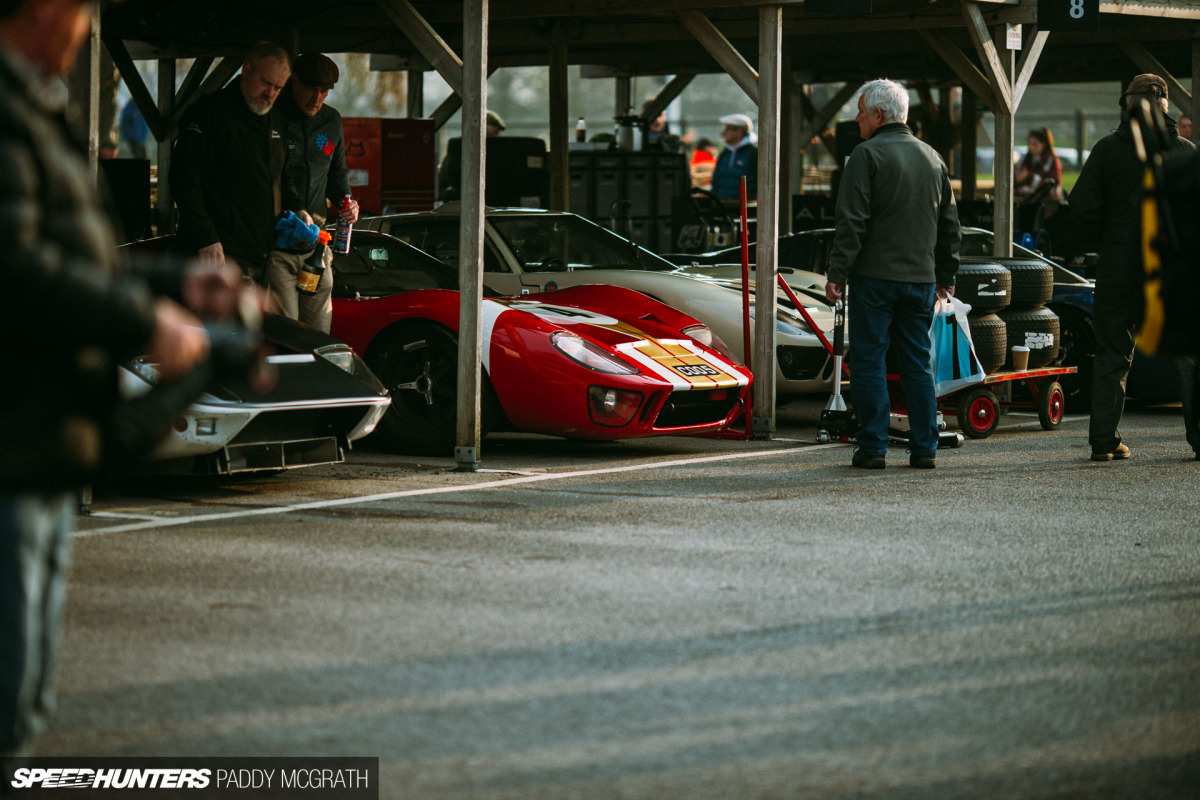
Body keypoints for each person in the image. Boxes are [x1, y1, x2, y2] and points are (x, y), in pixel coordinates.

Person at [0, 0, 247, 758]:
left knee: (24, 698)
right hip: (13, 435)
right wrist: (146, 323)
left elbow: (68, 256)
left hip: (42, 437)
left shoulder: (31, 106)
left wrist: (175, 283)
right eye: (82, 11)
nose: (85, 30)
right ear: (47, 8)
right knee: (8, 693)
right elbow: (14, 269)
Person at [824, 79, 960, 470]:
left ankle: (873, 448)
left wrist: (837, 271)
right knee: (918, 362)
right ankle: (925, 449)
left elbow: (852, 223)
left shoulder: (864, 156)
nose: (857, 118)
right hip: (921, 281)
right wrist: (946, 275)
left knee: (869, 361)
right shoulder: (933, 158)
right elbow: (950, 225)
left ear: (879, 115)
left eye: (862, 111)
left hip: (874, 281)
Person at [1069, 73, 1195, 462]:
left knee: (1112, 354)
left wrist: (1101, 243)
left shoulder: (1107, 150)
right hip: (1170, 267)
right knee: (1188, 357)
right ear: (1166, 107)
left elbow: (1081, 207)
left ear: (1127, 105)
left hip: (1118, 266)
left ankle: (1104, 442)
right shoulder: (1187, 152)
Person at [170, 41, 306, 284]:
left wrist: (298, 209)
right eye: (266, 83)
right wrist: (205, 237)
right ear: (246, 69)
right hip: (215, 254)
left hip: (261, 254)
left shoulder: (276, 121)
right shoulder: (209, 113)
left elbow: (282, 176)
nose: (271, 93)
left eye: (278, 87)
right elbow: (184, 179)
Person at [265, 52, 359, 334]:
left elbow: (337, 174)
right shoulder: (271, 116)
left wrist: (348, 202)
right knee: (288, 335)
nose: (317, 98)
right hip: (277, 249)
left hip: (318, 248)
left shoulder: (331, 120)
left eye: (324, 91)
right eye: (311, 89)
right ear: (293, 82)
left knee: (318, 334)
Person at [711, 113, 757, 201]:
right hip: (723, 207)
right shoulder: (724, 153)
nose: (723, 132)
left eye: (727, 129)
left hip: (745, 209)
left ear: (739, 131)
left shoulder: (753, 154)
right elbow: (716, 181)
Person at [1014, 126, 1062, 202]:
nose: (1031, 147)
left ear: (1043, 145)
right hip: (1023, 203)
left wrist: (1029, 177)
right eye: (1029, 144)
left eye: (1035, 145)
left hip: (1044, 205)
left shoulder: (1051, 161)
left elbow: (1052, 185)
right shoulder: (1024, 160)